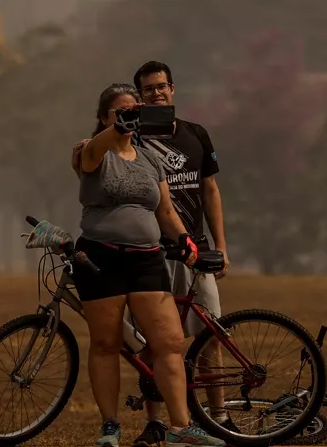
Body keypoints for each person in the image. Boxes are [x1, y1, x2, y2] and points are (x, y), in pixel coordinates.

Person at [70, 62, 230, 447]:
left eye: (134, 112)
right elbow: (93, 152)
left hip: (147, 258)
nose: (130, 118)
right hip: (101, 259)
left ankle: (180, 427)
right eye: (121, 112)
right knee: (107, 344)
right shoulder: (89, 151)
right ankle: (110, 427)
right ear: (104, 117)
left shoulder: (148, 157)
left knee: (169, 342)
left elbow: (166, 211)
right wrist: (117, 129)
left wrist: (188, 242)